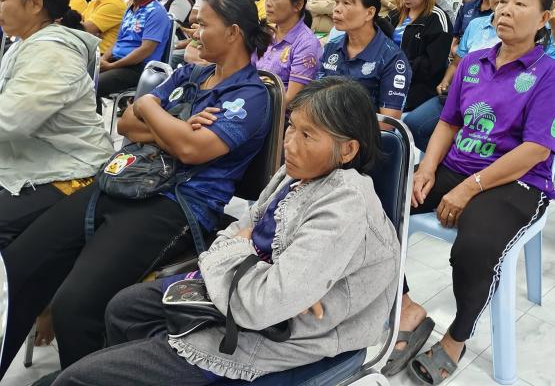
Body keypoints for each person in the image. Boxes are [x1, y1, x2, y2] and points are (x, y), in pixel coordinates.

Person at [49, 76, 400, 386]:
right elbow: (243, 227)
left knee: (77, 379)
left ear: (348, 150)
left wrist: (255, 266)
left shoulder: (345, 203)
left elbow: (261, 306)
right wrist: (265, 269)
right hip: (242, 288)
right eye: (291, 126)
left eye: (307, 135)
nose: (290, 144)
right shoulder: (298, 172)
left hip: (283, 333)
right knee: (124, 308)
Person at [0, 0, 272, 378]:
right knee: (19, 266)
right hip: (124, 180)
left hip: (175, 203)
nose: (194, 32)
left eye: (203, 24)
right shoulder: (190, 74)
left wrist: (152, 110)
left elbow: (192, 150)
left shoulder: (249, 95)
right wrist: (171, 124)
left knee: (75, 306)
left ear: (232, 32)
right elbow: (128, 123)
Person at [385, 0, 555, 383]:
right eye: (502, 0)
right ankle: (407, 308)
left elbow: (536, 150)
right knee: (378, 205)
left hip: (517, 181)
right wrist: (426, 168)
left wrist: (469, 189)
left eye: (520, 3)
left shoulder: (550, 74)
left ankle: (458, 335)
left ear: (544, 18)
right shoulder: (473, 62)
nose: (505, 9)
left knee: (475, 246)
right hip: (457, 167)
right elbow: (448, 122)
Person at [0, 0, 113, 246]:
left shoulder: (52, 53)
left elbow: (9, 120)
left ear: (35, 3)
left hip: (69, 172)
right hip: (35, 161)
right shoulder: (25, 44)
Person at [403, 0, 515, 152]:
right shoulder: (476, 25)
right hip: (459, 93)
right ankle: (447, 158)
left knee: (471, 136)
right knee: (413, 124)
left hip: (491, 102)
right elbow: (457, 62)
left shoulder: (521, 33)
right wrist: (446, 81)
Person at [317, 0, 410, 120]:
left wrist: (336, 126)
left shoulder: (392, 58)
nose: (336, 9)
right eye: (337, 2)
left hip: (361, 132)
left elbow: (388, 121)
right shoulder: (331, 47)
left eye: (346, 3)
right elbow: (316, 96)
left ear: (369, 13)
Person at [96, 0, 173, 109]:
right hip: (118, 63)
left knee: (91, 84)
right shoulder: (130, 9)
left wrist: (111, 66)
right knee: (80, 77)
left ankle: (92, 124)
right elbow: (118, 41)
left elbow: (146, 49)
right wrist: (103, 61)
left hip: (139, 68)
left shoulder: (156, 12)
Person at [389, 0, 452, 112]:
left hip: (419, 91)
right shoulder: (396, 15)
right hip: (390, 83)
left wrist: (397, 70)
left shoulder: (437, 18)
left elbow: (432, 65)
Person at [253, 0, 322, 103]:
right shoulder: (267, 33)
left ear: (298, 5)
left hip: (278, 112)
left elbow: (291, 99)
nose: (268, 3)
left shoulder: (306, 43)